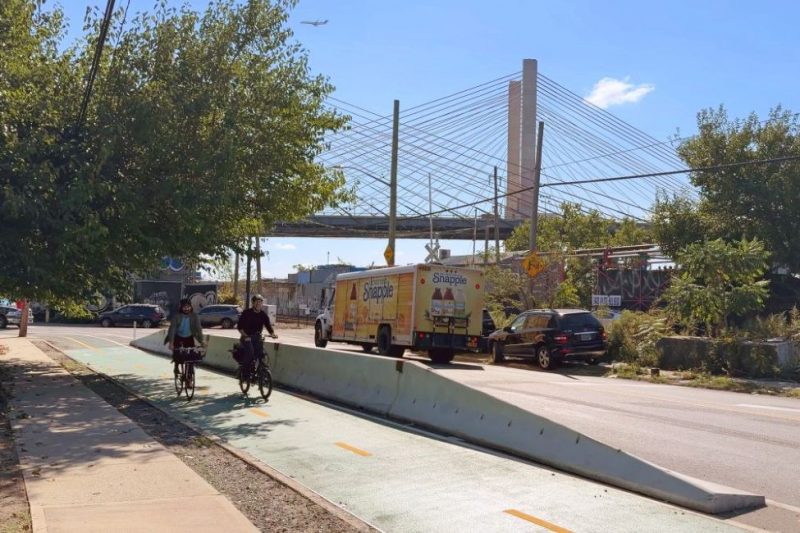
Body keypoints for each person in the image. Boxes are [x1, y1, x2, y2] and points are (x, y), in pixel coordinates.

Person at [237, 295, 277, 377]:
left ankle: (260, 371)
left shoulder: (263, 315)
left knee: (261, 354)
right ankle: (245, 373)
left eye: (260, 302)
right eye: (257, 302)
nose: (259, 304)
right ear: (253, 303)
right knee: (250, 353)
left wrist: (272, 334)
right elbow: (239, 326)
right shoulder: (246, 313)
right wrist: (245, 336)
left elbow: (268, 326)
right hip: (246, 337)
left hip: (257, 338)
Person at [164, 298, 205, 374]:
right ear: (181, 308)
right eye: (184, 307)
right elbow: (172, 330)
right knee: (177, 353)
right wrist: (171, 343)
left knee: (191, 356)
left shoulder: (194, 316)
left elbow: (199, 329)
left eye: (188, 307)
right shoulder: (177, 316)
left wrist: (201, 341)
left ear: (191, 307)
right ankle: (176, 367)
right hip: (178, 337)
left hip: (189, 337)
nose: (186, 309)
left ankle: (190, 374)